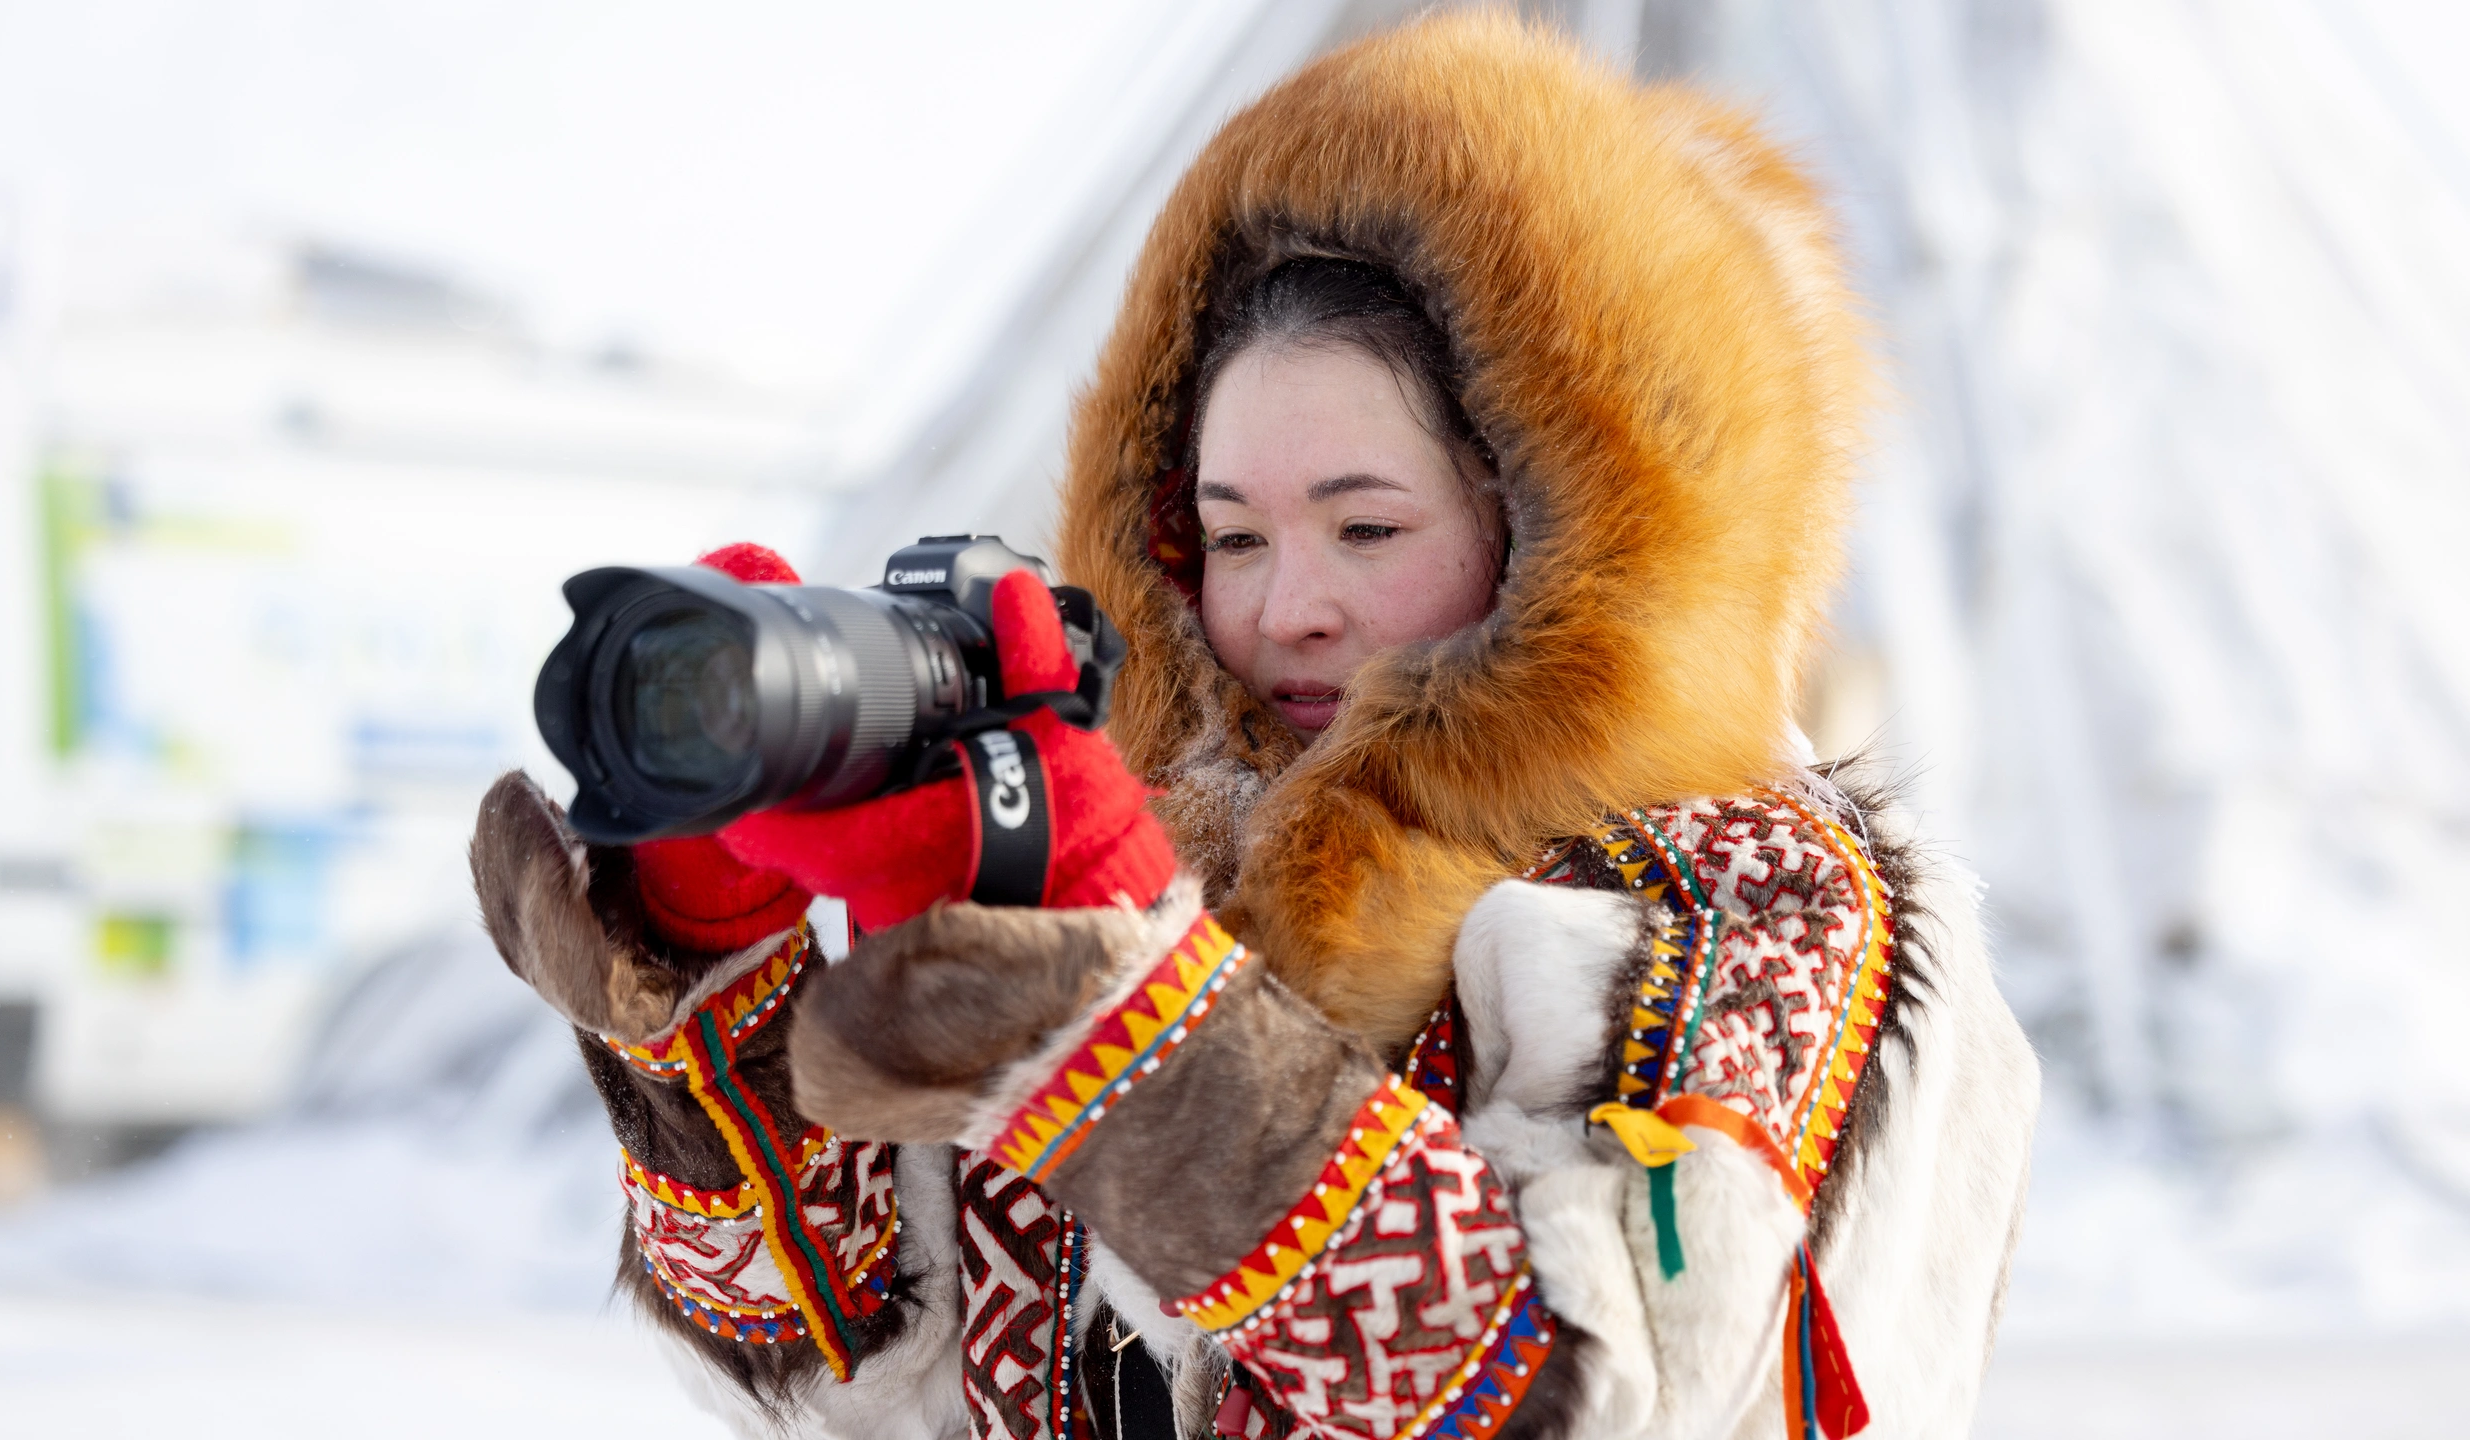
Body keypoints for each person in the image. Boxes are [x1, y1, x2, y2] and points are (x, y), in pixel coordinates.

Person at [471, 14, 2039, 1440]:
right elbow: (858, 1384)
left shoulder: (1750, 897)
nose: (1285, 603)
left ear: (1562, 531)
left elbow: (1607, 1394)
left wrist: (1132, 1032)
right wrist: (717, 985)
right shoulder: (1151, 862)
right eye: (1230, 535)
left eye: (1366, 531)